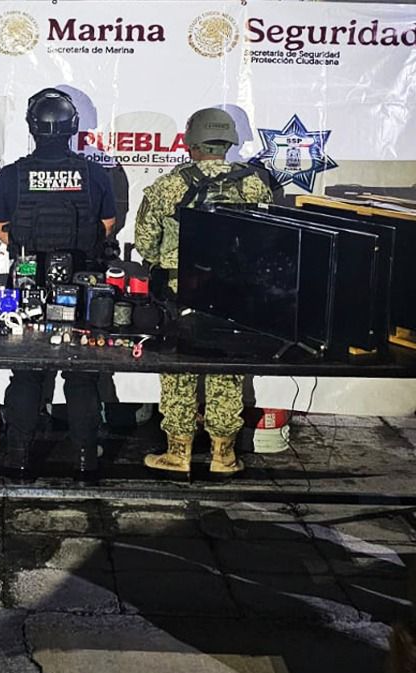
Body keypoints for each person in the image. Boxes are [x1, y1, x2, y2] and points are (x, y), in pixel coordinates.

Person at [133, 108, 274, 478]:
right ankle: (223, 455)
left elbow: (145, 243)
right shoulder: (254, 185)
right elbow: (268, 242)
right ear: (228, 142)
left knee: (178, 370)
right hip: (234, 294)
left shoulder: (169, 186)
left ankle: (177, 453)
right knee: (226, 371)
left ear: (190, 142)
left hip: (181, 292)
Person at [0, 88, 117, 480]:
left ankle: (17, 456)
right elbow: (108, 225)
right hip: (82, 283)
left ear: (32, 127)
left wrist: (29, 252)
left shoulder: (12, 175)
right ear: (72, 127)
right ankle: (85, 459)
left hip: (26, 282)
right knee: (81, 374)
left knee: (26, 372)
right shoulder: (94, 173)